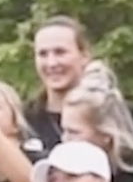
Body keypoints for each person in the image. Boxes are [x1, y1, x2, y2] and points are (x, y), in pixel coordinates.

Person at [61, 74, 133, 182]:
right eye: (64, 131)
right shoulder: (65, 174)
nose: (64, 140)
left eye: (73, 132)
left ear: (106, 135)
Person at [27, 17, 93, 150]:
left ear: (84, 56)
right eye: (43, 54)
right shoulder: (23, 122)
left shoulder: (111, 118)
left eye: (60, 52)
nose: (51, 63)